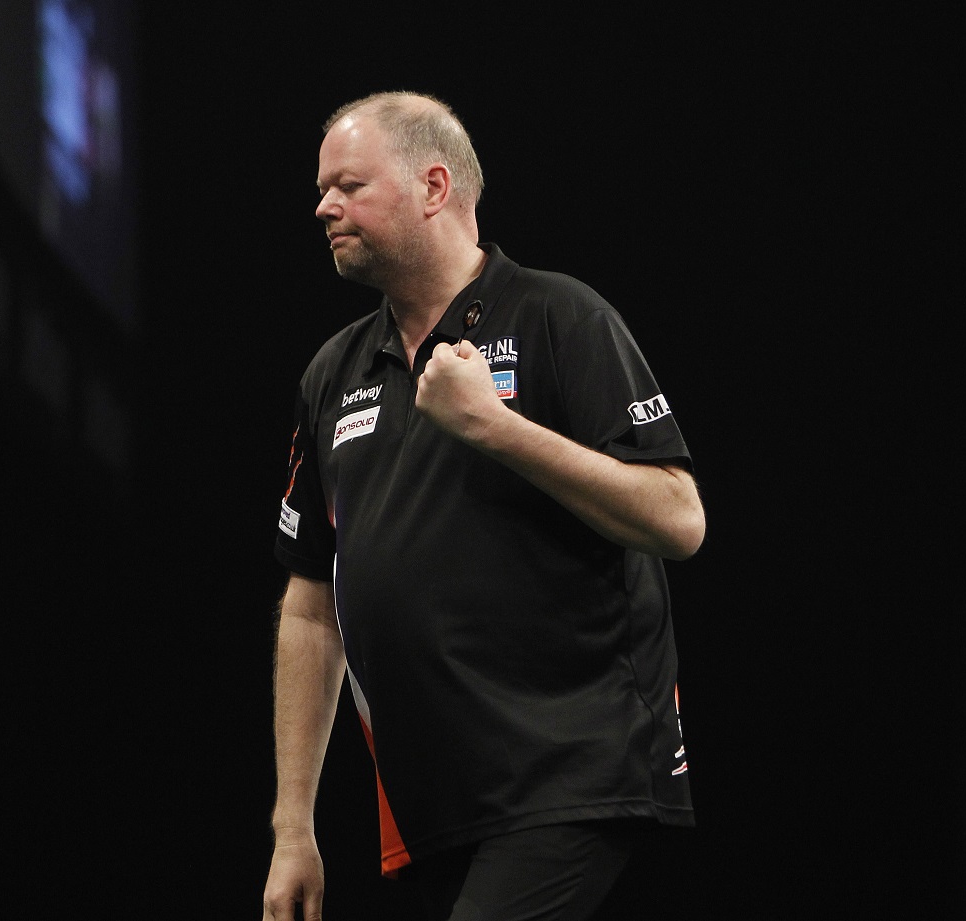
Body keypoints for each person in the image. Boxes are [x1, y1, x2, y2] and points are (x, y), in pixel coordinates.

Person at [263, 90, 706, 921]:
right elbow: (312, 605)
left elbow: (678, 517)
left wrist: (496, 427)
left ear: (434, 187)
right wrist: (294, 829)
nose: (323, 206)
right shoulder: (333, 373)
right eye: (323, 189)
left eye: (349, 186)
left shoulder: (559, 317)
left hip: (573, 771)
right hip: (435, 804)